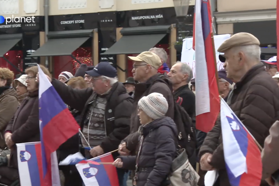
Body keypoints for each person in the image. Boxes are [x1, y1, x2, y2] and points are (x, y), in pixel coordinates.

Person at [199, 32, 279, 186]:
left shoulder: (259, 86)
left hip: (247, 178)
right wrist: (206, 151)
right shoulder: (241, 87)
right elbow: (220, 124)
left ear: (241, 58)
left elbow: (246, 137)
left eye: (227, 58)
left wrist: (213, 159)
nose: (224, 65)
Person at [48, 62, 133, 185]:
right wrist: (52, 82)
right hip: (90, 157)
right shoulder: (92, 94)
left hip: (109, 161)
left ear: (106, 82)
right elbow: (70, 95)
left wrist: (103, 146)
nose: (90, 81)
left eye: (94, 78)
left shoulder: (122, 102)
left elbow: (124, 130)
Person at [0, 65, 51, 185]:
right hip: (17, 150)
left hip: (30, 153)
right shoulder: (29, 98)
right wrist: (8, 132)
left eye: (30, 77)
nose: (27, 80)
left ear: (40, 79)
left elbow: (32, 124)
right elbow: (13, 119)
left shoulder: (41, 98)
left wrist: (13, 137)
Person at [113, 93, 177, 186]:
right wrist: (124, 161)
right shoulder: (148, 130)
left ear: (149, 113)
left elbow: (163, 164)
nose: (138, 114)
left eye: (141, 110)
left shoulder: (163, 131)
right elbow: (146, 160)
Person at [119, 51, 174, 156]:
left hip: (152, 152)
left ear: (148, 68)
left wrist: (128, 142)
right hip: (145, 150)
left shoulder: (158, 88)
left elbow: (151, 124)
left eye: (136, 66)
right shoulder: (148, 87)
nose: (132, 70)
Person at [0, 68, 19, 149]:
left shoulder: (9, 99)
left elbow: (1, 122)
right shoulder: (3, 97)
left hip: (3, 145)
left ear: (4, 81)